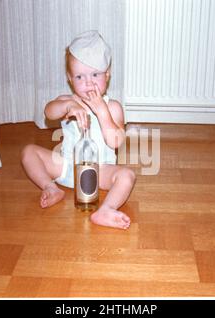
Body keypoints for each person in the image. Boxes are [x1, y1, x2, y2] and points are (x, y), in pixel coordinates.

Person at [21, 30, 136, 230]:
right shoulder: (68, 101)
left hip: (101, 170)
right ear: (70, 78)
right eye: (80, 76)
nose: (88, 82)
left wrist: (101, 112)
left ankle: (107, 208)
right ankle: (51, 187)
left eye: (95, 74)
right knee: (28, 152)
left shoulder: (113, 107)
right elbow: (48, 112)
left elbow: (116, 142)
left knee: (127, 176)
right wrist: (67, 107)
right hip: (66, 166)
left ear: (107, 75)